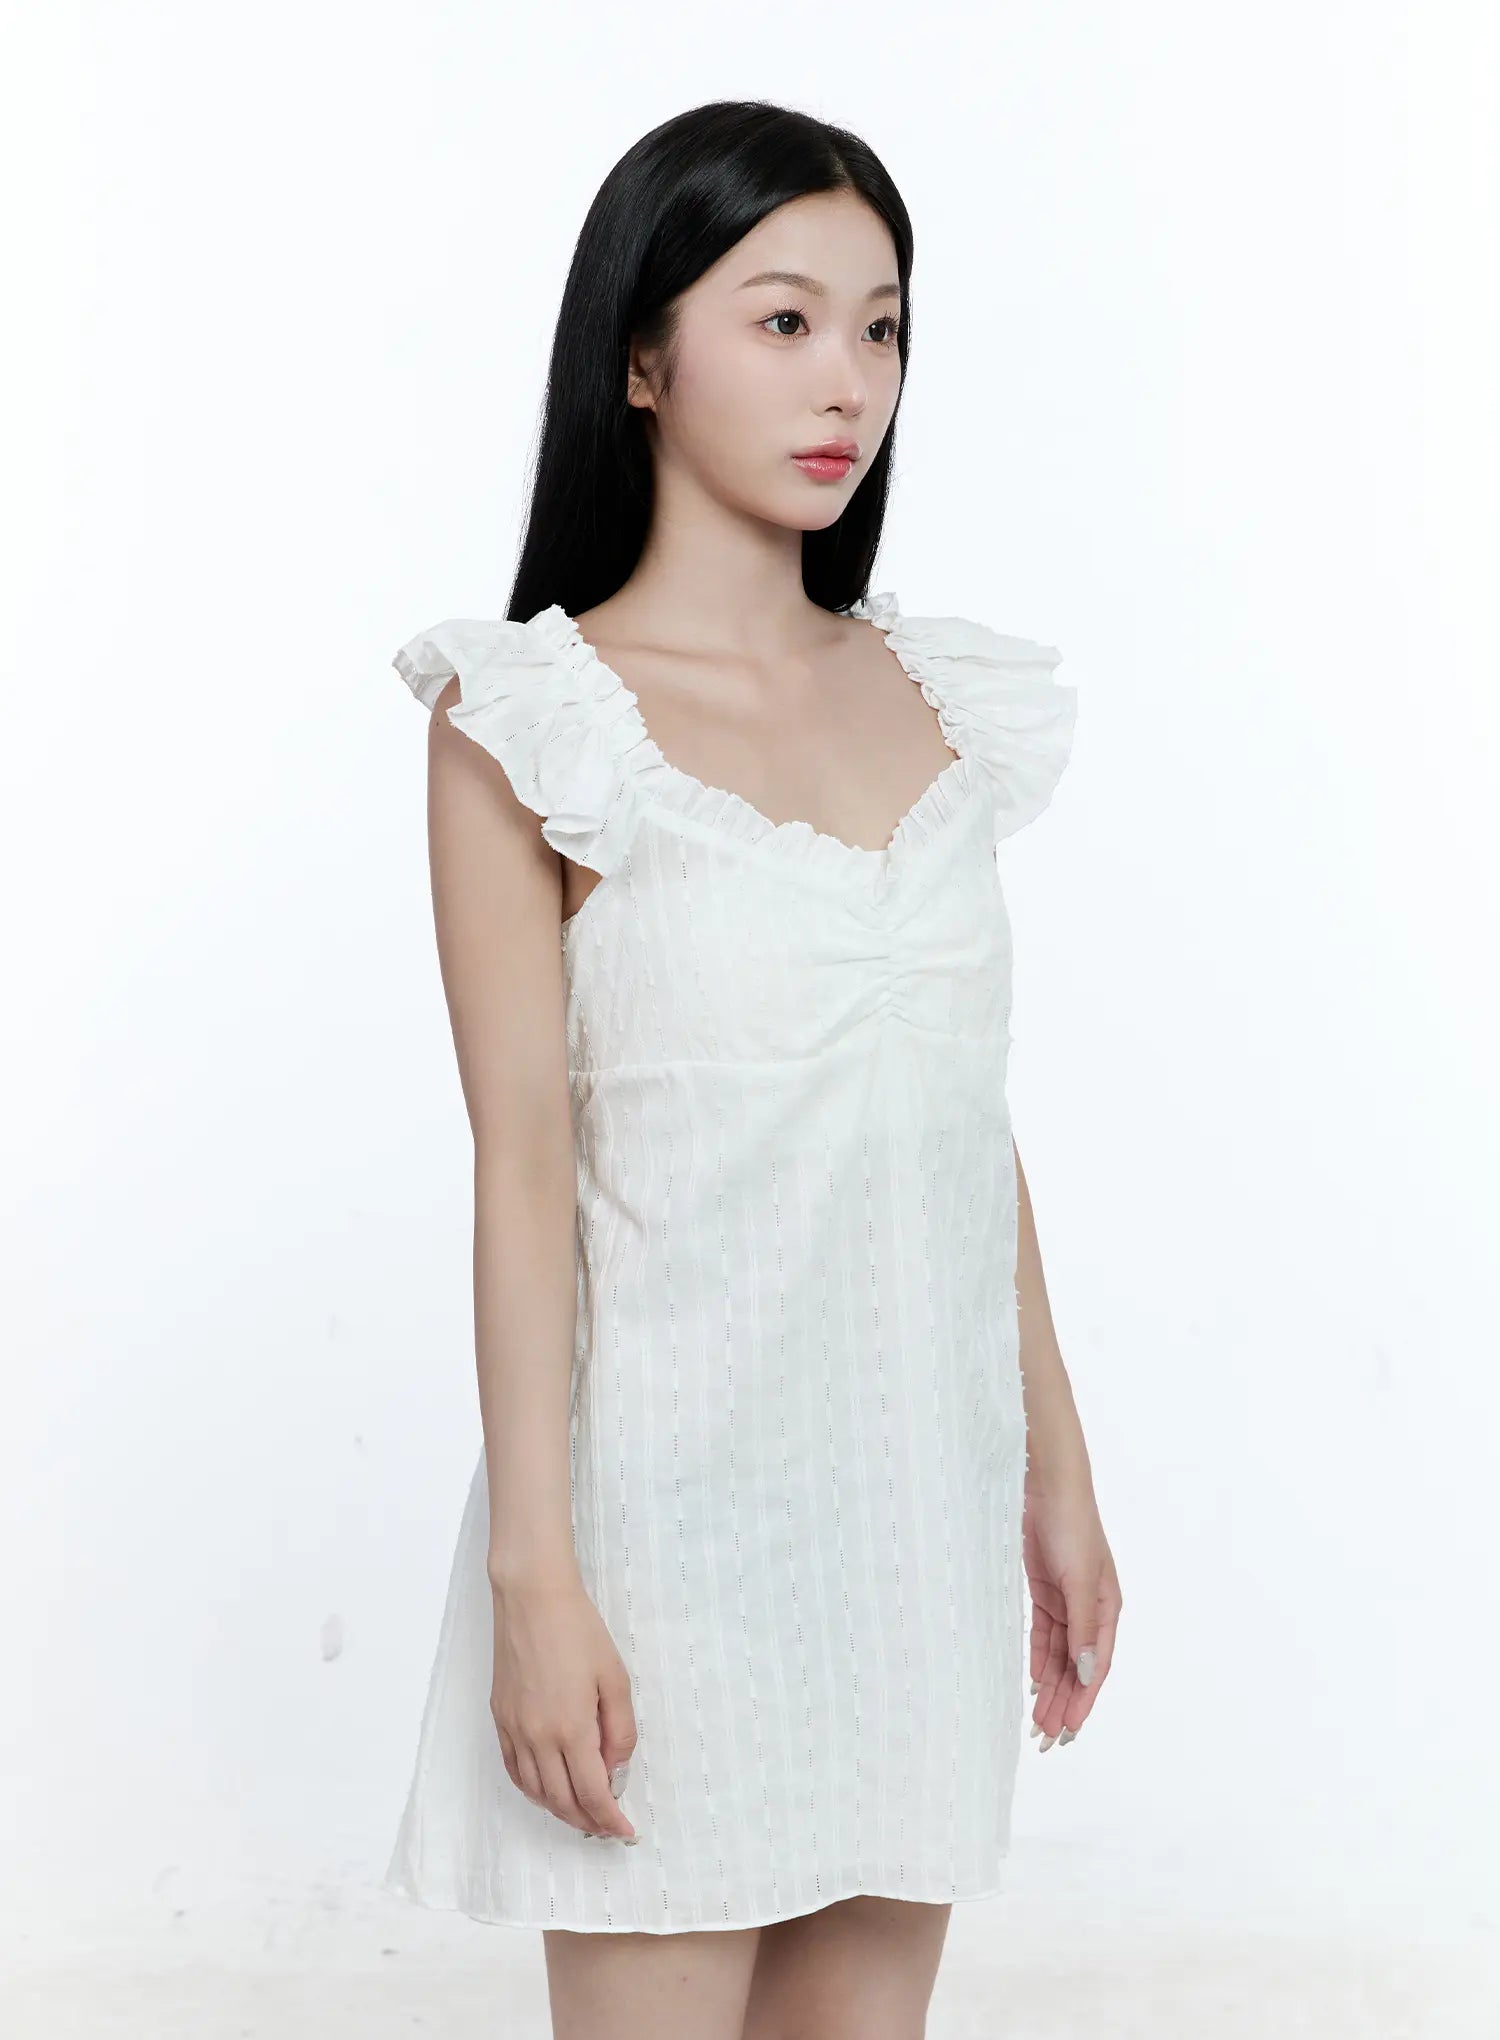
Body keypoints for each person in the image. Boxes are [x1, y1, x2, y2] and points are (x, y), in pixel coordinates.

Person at [382, 97, 1122, 2040]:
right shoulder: (527, 720)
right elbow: (523, 1167)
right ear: (642, 355)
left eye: (881, 327)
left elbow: (957, 1113)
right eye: (783, 319)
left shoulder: (938, 700)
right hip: (666, 1525)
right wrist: (537, 1577)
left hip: (915, 1505)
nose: (848, 380)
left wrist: (1055, 1465)